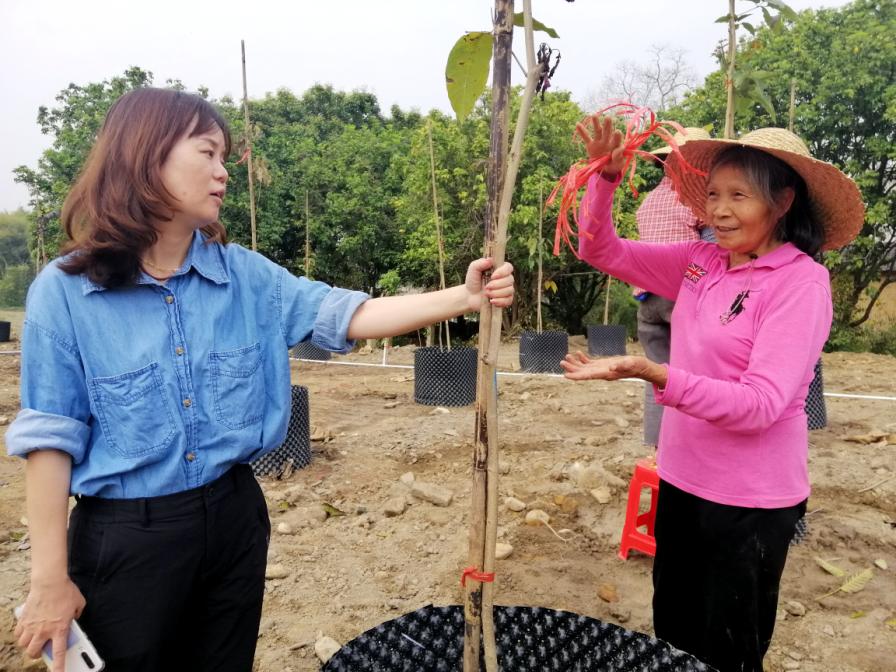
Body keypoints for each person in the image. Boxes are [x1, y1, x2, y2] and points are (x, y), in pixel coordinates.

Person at [7, 87, 515, 672]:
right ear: (145, 156)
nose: (223, 173)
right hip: (126, 539)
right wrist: (49, 580)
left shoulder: (246, 278)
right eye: (207, 153)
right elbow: (50, 435)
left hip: (232, 518)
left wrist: (465, 296)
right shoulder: (67, 291)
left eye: (224, 157)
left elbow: (345, 315)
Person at [561, 115, 863, 672]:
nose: (719, 211)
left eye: (739, 196)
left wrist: (653, 373)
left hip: (749, 504)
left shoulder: (800, 283)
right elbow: (599, 250)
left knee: (728, 650)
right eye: (714, 195)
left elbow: (760, 404)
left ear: (783, 201)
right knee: (673, 633)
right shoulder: (702, 263)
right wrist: (604, 180)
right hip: (680, 480)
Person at [632, 127, 714, 448]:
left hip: (647, 299)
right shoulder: (694, 202)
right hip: (682, 295)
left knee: (656, 375)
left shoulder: (648, 203)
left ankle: (657, 447)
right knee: (692, 374)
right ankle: (690, 446)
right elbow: (712, 254)